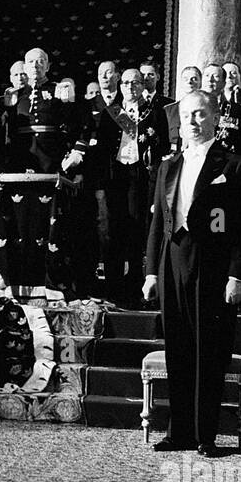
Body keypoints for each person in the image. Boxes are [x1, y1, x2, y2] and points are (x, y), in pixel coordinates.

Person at [142, 91, 241, 457]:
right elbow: (158, 223)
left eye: (201, 114)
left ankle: (206, 436)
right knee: (177, 350)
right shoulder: (168, 166)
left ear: (215, 117)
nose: (193, 121)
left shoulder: (234, 165)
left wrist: (237, 275)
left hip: (213, 265)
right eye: (188, 114)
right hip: (172, 260)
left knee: (208, 351)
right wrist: (151, 273)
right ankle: (179, 433)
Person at [83, 66, 170, 304]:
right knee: (113, 232)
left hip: (140, 178)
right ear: (120, 87)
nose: (130, 88)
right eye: (126, 83)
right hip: (115, 178)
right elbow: (100, 153)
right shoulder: (111, 114)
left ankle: (135, 287)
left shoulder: (154, 112)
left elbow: (162, 147)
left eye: (136, 83)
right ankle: (113, 288)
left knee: (136, 231)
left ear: (143, 86)